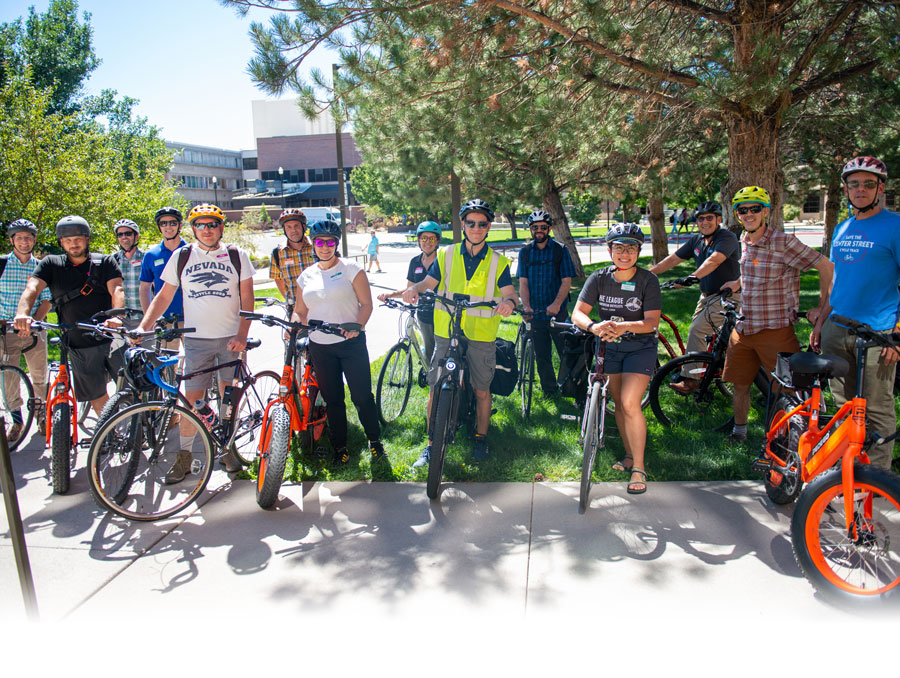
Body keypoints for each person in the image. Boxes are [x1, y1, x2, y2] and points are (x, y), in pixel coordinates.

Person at [136, 203, 255, 480]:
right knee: (191, 400)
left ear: (221, 227)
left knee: (229, 400)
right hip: (196, 340)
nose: (207, 230)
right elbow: (163, 296)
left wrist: (242, 335)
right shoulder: (182, 255)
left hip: (230, 339)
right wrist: (144, 327)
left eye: (212, 224)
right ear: (193, 229)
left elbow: (247, 299)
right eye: (201, 225)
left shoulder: (237, 255)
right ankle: (185, 456)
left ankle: (229, 449)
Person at [402, 198, 519, 465]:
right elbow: (429, 282)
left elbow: (511, 295)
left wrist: (508, 304)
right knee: (435, 387)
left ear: (489, 226)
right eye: (471, 223)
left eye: (482, 223)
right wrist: (414, 289)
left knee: (481, 389)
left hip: (481, 334)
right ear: (462, 225)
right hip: (446, 330)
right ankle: (431, 444)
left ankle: (480, 438)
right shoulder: (446, 254)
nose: (476, 228)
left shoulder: (498, 262)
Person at [721, 186, 833, 443]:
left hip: (776, 330)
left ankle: (792, 439)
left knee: (790, 388)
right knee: (739, 383)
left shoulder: (784, 243)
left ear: (766, 211)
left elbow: (826, 266)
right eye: (743, 209)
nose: (749, 214)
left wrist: (820, 307)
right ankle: (740, 432)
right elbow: (756, 272)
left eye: (755, 208)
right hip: (744, 328)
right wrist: (737, 284)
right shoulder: (744, 240)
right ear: (737, 214)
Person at [810, 156, 900, 470]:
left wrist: (898, 335)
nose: (860, 189)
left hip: (878, 334)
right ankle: (846, 472)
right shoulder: (842, 227)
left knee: (876, 409)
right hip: (837, 328)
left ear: (880, 188)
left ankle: (875, 484)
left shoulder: (895, 226)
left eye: (868, 184)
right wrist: (821, 321)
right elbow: (837, 280)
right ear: (846, 189)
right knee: (843, 407)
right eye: (854, 184)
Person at [571, 223, 660, 495]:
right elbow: (578, 313)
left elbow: (651, 323)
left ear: (638, 251)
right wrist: (593, 327)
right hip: (608, 347)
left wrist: (624, 327)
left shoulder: (648, 280)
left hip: (639, 347)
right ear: (609, 250)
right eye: (619, 248)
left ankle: (639, 467)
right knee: (619, 405)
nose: (625, 254)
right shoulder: (598, 278)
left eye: (630, 248)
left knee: (631, 402)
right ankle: (630, 453)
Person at [294, 219, 385, 466]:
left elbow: (366, 304)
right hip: (320, 346)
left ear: (337, 243)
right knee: (333, 399)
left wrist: (357, 326)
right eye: (320, 242)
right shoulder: (306, 276)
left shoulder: (351, 269)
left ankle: (374, 440)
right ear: (313, 244)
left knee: (362, 396)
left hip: (350, 342)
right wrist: (295, 326)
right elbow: (300, 311)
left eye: (330, 242)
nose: (325, 247)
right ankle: (340, 446)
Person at [14, 216, 124, 416]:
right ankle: (110, 435)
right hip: (78, 340)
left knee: (131, 387)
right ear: (61, 242)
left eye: (78, 238)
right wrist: (23, 313)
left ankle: (142, 425)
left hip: (110, 335)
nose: (74, 244)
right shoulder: (51, 264)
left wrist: (117, 317)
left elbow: (116, 288)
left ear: (87, 239)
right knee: (96, 393)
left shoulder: (104, 261)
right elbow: (32, 288)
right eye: (68, 240)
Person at [650, 201, 741, 392]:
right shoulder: (697, 240)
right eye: (701, 219)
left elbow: (715, 260)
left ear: (718, 220)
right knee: (703, 335)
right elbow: (674, 259)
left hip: (728, 296)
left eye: (710, 218)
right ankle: (704, 368)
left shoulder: (726, 237)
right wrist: (648, 274)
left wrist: (692, 277)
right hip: (707, 296)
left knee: (697, 330)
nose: (705, 222)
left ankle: (691, 380)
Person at [517, 208, 577, 396]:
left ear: (549, 229)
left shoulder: (560, 250)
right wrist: (526, 306)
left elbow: (567, 281)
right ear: (531, 230)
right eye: (535, 227)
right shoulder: (525, 253)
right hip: (535, 313)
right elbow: (523, 283)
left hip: (557, 312)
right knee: (542, 356)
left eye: (543, 227)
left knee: (566, 353)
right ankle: (549, 391)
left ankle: (573, 390)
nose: (539, 230)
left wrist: (557, 304)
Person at [1, 219, 51, 440]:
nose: (24, 241)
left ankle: (41, 416)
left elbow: (47, 301)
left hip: (34, 331)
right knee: (8, 378)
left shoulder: (41, 267)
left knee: (40, 375)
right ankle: (17, 421)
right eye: (19, 237)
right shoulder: (2, 265)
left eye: (28, 237)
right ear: (12, 240)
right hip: (6, 332)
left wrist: (32, 322)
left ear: (34, 240)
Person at [377, 220, 442, 362]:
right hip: (423, 314)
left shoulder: (443, 261)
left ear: (437, 241)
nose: (428, 242)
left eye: (432, 238)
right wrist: (390, 295)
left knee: (442, 353)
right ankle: (431, 379)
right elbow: (409, 289)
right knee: (430, 352)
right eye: (424, 238)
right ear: (419, 240)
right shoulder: (415, 262)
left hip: (442, 314)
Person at [140, 207, 188, 341]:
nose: (168, 227)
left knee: (196, 361)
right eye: (163, 223)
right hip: (164, 320)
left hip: (191, 318)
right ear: (159, 227)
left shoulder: (191, 251)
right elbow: (144, 288)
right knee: (166, 361)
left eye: (173, 223)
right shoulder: (151, 255)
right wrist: (148, 319)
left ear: (180, 226)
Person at [269, 208, 315, 314]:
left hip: (320, 306)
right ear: (284, 230)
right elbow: (278, 278)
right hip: (296, 309)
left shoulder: (317, 247)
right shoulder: (278, 252)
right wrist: (289, 300)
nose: (293, 230)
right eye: (288, 227)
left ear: (303, 227)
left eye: (296, 226)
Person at [112, 218, 144, 327]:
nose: (123, 237)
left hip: (143, 317)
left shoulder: (146, 258)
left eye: (128, 233)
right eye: (120, 235)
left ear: (136, 236)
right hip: (120, 319)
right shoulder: (113, 260)